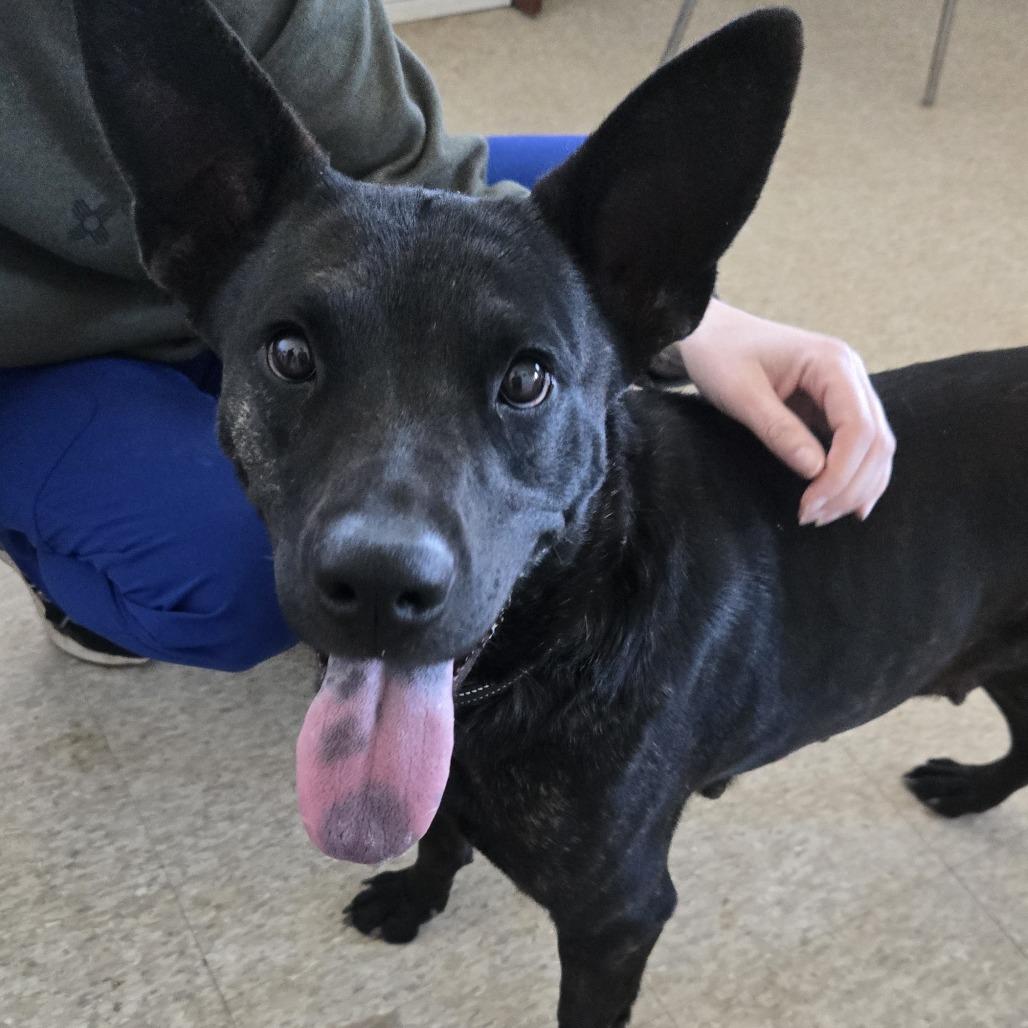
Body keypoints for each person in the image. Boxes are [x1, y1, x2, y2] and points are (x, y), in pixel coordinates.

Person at [0, 0, 894, 670]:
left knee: (572, 183)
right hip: (31, 348)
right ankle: (70, 560)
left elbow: (402, 170)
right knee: (228, 585)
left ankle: (296, 359)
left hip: (275, 263)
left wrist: (674, 328)